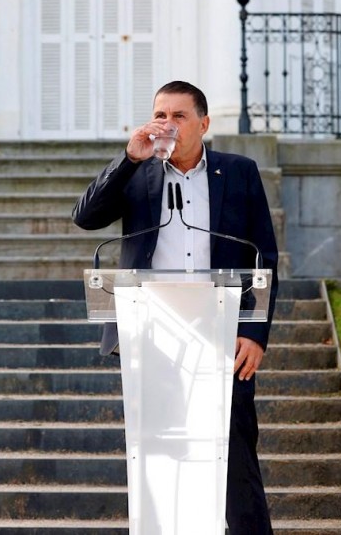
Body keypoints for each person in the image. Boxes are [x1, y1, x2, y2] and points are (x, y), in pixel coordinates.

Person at [72, 80, 279, 534]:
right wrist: (128, 159)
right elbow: (85, 216)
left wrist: (255, 333)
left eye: (179, 116)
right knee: (160, 460)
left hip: (222, 332)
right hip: (152, 336)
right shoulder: (138, 173)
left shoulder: (239, 171)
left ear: (203, 124)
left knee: (236, 461)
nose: (166, 124)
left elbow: (264, 255)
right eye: (159, 115)